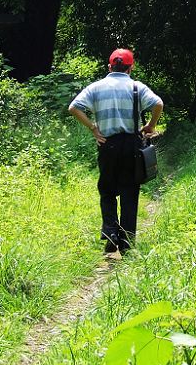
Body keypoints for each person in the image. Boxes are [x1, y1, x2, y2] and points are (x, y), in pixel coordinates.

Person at [68, 48, 163, 254]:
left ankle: (111, 231)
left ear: (110, 66)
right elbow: (158, 103)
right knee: (130, 191)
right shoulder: (137, 87)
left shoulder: (96, 87)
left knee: (107, 189)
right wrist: (150, 126)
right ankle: (127, 244)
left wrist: (93, 128)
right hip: (132, 145)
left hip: (107, 144)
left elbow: (74, 107)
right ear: (131, 67)